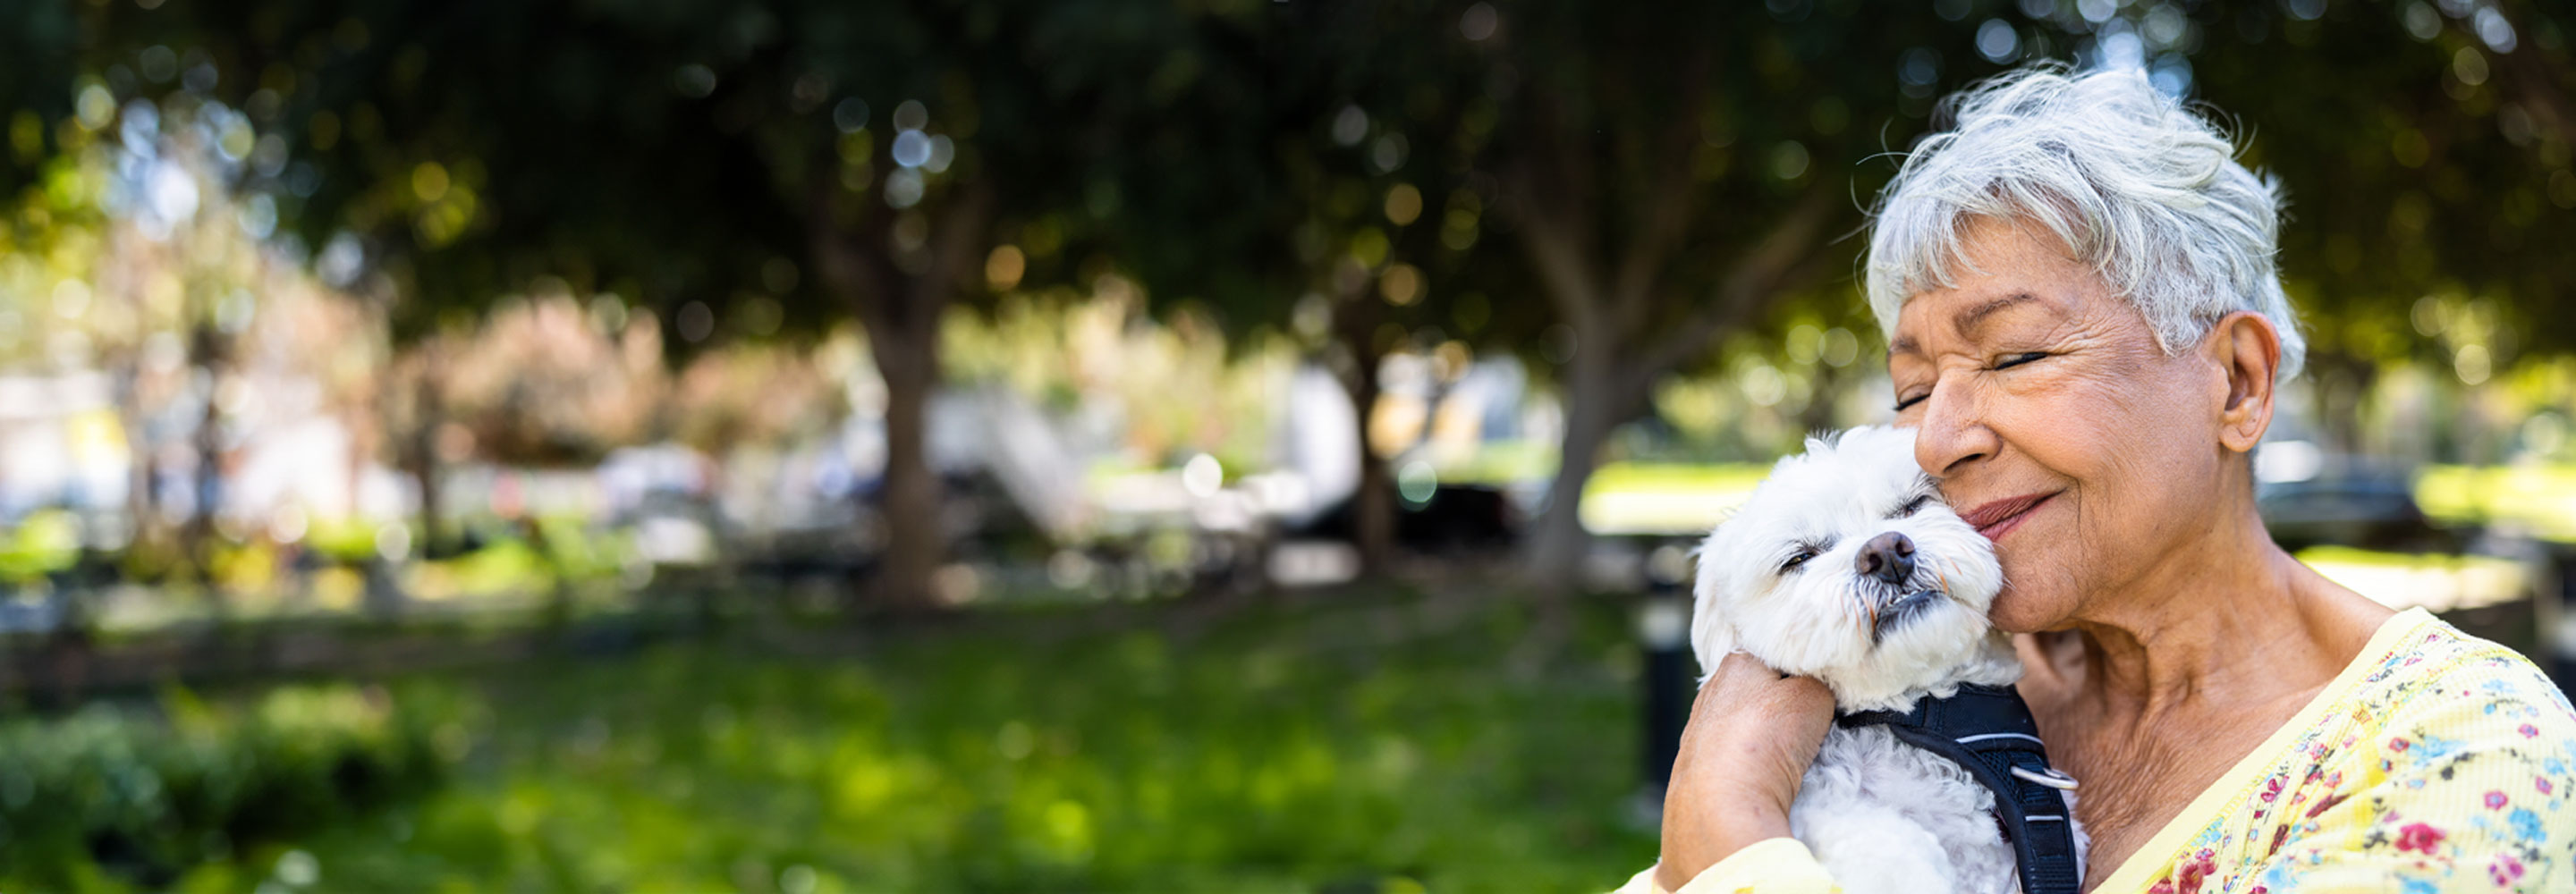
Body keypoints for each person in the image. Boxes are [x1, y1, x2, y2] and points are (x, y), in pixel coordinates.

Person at [1622, 65, 2576, 893]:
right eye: (1913, 389)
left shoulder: (2458, 754)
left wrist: (1729, 828)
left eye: (2016, 355)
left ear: (2238, 381)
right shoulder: (1927, 675)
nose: (1937, 437)